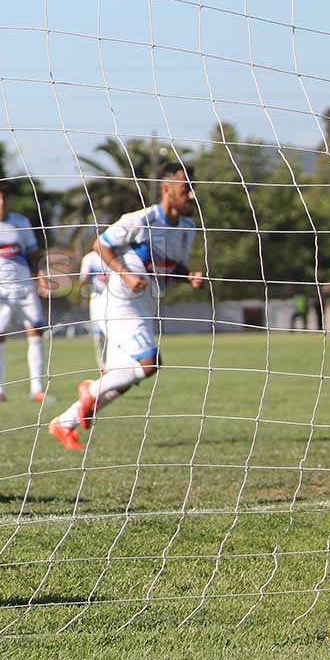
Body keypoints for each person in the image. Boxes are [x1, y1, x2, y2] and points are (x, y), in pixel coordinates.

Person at [49, 162, 204, 450]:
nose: (192, 195)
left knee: (121, 381)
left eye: (194, 189)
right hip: (117, 304)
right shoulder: (141, 220)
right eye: (186, 188)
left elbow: (171, 266)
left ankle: (64, 422)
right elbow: (100, 245)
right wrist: (126, 273)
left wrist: (189, 276)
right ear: (166, 188)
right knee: (150, 361)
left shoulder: (187, 228)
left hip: (144, 307)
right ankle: (90, 390)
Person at [0, 182, 52, 404]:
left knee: (36, 332)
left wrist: (41, 276)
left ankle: (38, 389)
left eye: (4, 198)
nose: (0, 202)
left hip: (25, 287)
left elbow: (33, 253)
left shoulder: (21, 223)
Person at [78, 247, 110, 371]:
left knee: (114, 333)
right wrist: (87, 275)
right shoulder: (89, 258)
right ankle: (103, 366)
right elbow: (83, 281)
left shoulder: (117, 255)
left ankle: (116, 364)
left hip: (115, 299)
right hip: (97, 298)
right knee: (99, 334)